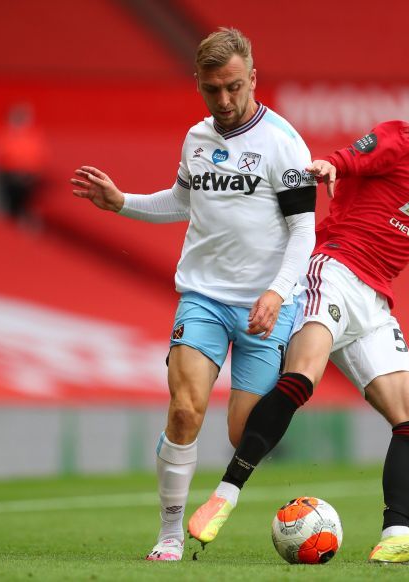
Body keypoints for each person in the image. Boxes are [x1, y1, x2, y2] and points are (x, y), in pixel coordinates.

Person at [188, 77, 409, 565]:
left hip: (376, 302)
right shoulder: (399, 141)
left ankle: (395, 537)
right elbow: (350, 158)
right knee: (304, 374)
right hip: (334, 268)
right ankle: (226, 495)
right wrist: (331, 164)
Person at [69, 28, 316, 561]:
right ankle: (170, 533)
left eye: (232, 87)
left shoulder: (284, 143)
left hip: (265, 308)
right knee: (184, 410)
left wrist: (277, 292)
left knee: (243, 433)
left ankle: (220, 495)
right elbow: (184, 201)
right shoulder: (197, 139)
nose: (224, 101)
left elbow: (304, 231)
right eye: (212, 90)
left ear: (253, 77)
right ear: (198, 85)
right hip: (202, 296)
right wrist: (121, 202)